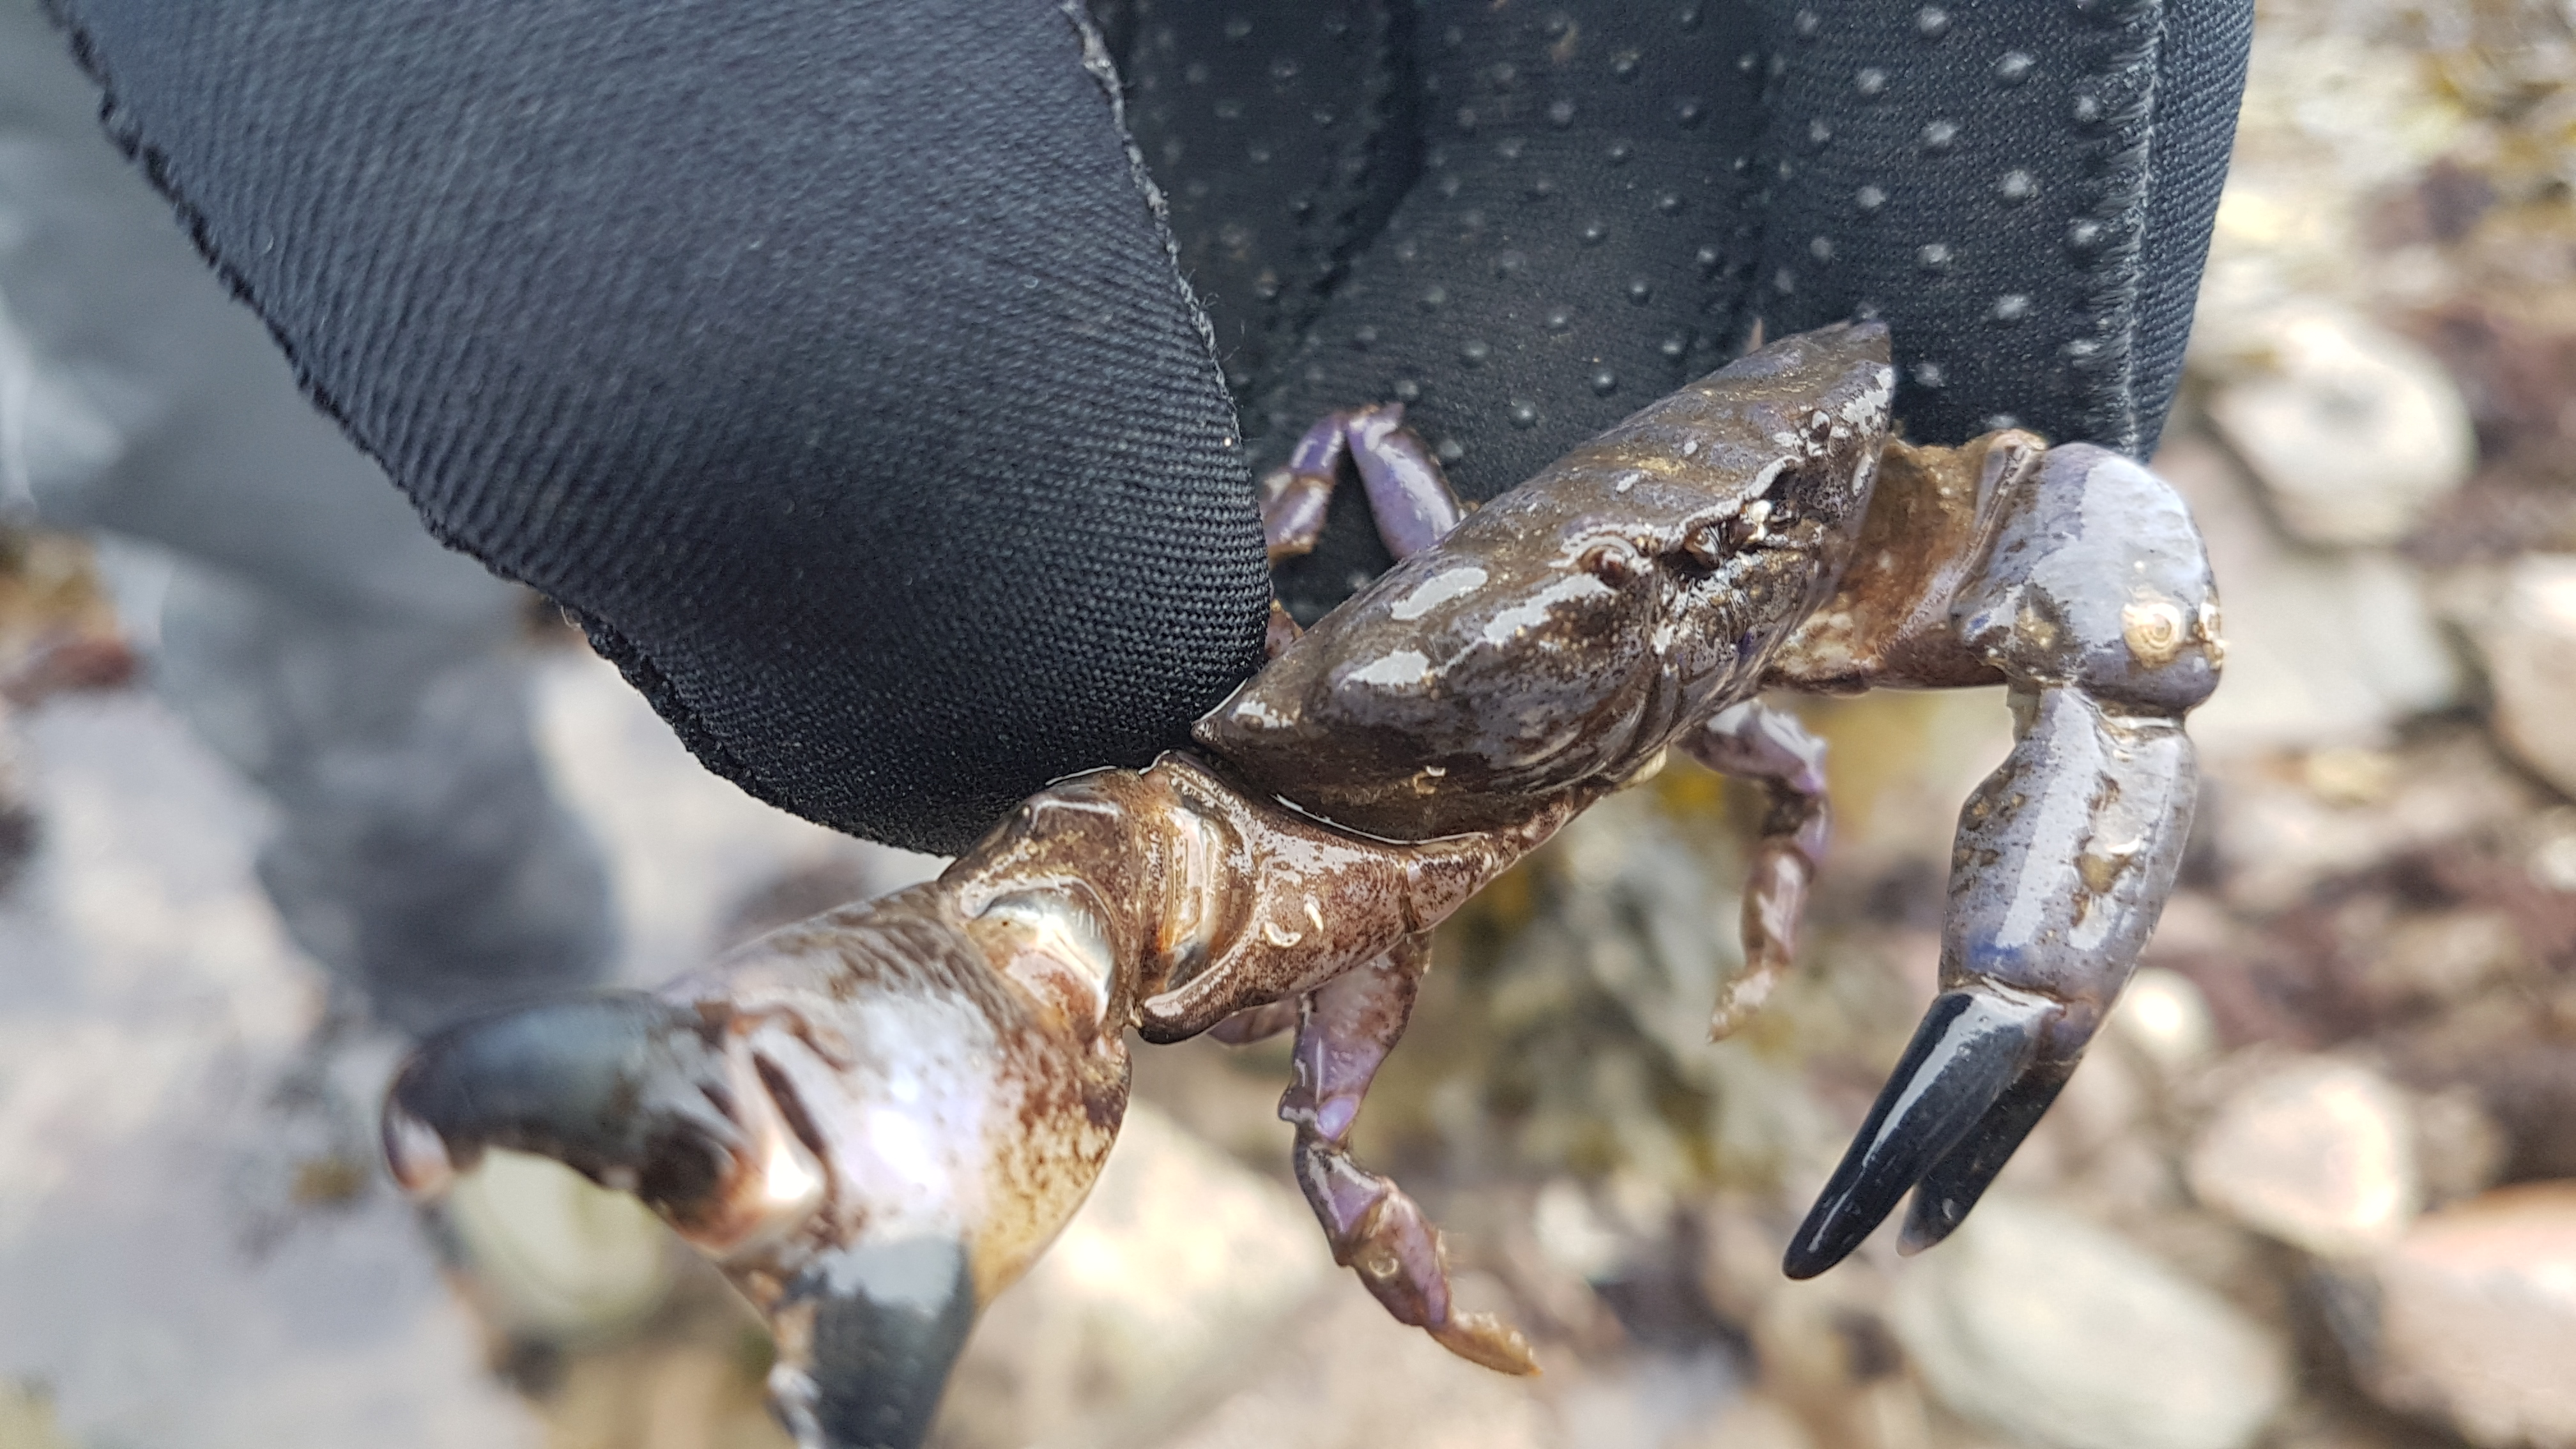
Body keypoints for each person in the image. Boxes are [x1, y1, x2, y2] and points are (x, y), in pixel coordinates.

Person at [27, 0, 2252, 947]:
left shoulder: (1810, 519)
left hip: (1667, 469)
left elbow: (2104, 560)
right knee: (274, 513)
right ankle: (450, 955)